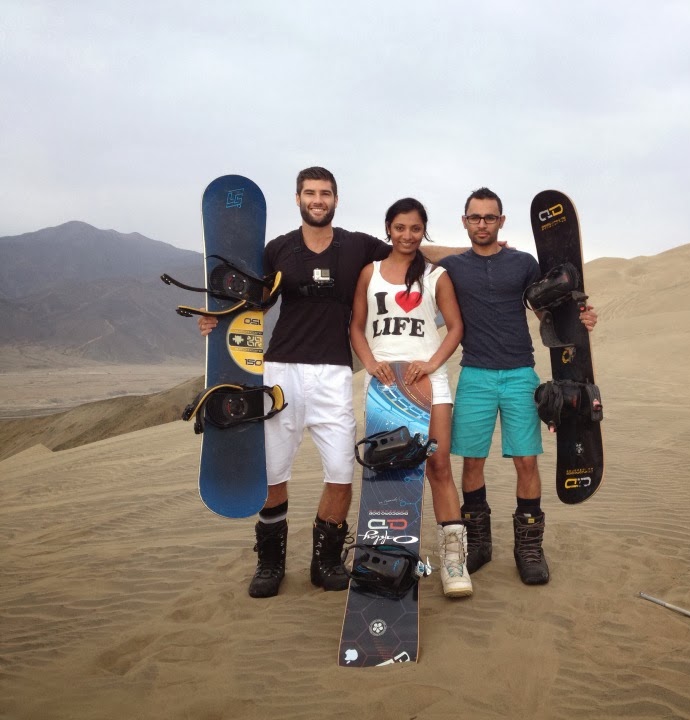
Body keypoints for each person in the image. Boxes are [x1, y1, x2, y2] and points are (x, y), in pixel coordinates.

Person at [198, 167, 458, 599]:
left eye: (325, 193)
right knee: (273, 471)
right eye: (310, 193)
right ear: (298, 198)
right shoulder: (278, 249)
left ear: (336, 199)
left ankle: (327, 561)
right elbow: (255, 304)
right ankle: (270, 563)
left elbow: (411, 248)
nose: (317, 200)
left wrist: (472, 250)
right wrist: (216, 321)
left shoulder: (356, 246)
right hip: (281, 370)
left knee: (340, 472)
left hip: (335, 372)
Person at [438, 187, 598, 586]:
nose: (482, 224)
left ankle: (528, 549)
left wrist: (582, 320)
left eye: (490, 217)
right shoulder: (453, 266)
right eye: (475, 217)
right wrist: (455, 247)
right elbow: (415, 250)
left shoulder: (523, 263)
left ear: (502, 221)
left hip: (519, 374)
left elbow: (549, 308)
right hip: (474, 374)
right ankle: (479, 543)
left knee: (526, 461)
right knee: (471, 462)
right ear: (464, 221)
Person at [349, 197, 471, 598]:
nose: (407, 235)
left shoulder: (436, 276)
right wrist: (370, 363)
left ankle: (453, 562)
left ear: (424, 231)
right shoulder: (369, 273)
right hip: (385, 385)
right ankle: (388, 560)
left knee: (438, 464)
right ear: (388, 228)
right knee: (388, 469)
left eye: (415, 228)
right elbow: (356, 326)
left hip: (429, 383)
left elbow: (455, 327)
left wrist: (432, 363)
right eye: (400, 227)